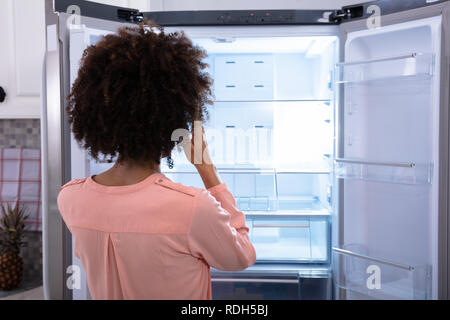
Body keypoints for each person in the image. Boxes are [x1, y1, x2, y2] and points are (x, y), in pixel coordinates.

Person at [57, 21, 256, 300]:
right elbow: (242, 256)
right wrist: (206, 168)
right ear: (173, 121)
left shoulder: (70, 198)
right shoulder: (193, 208)